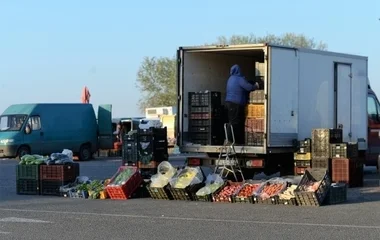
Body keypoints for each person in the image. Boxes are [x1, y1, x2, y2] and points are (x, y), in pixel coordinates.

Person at [225, 64, 259, 144]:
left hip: (229, 103)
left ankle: (234, 140)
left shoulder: (230, 78)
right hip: (235, 104)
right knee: (235, 122)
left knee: (233, 121)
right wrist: (256, 86)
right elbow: (248, 87)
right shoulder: (239, 79)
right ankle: (230, 140)